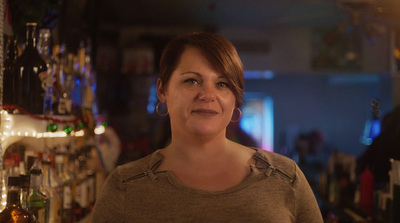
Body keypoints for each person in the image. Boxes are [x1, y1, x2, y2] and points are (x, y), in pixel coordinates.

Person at [91, 32, 323, 222]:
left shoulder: (285, 177)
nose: (207, 95)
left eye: (222, 84)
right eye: (191, 80)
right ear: (162, 90)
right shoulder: (125, 185)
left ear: (235, 97)